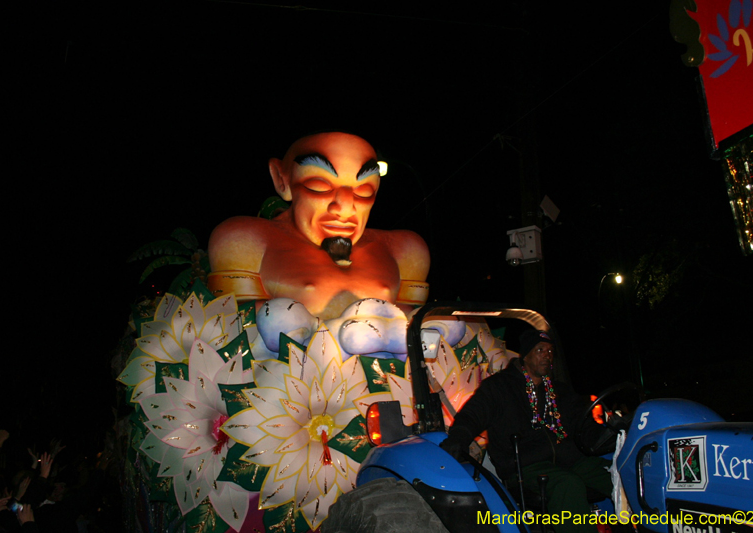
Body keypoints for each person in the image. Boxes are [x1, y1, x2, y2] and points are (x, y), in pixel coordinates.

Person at [207, 131, 430, 319]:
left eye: (364, 191)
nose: (345, 208)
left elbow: (418, 326)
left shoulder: (404, 250)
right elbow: (231, 323)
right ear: (282, 180)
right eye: (319, 186)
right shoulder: (246, 241)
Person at [441, 329, 613, 533]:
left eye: (550, 351)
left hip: (569, 459)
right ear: (525, 354)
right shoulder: (499, 387)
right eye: (540, 349)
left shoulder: (560, 391)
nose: (547, 355)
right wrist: (458, 439)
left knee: (615, 473)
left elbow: (582, 425)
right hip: (524, 465)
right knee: (568, 484)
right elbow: (472, 416)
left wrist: (610, 436)